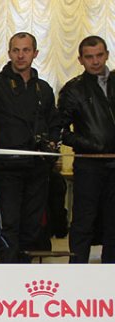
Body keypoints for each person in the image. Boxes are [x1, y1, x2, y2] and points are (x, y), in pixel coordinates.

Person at [0, 32, 60, 263]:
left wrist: (51, 149)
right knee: (9, 225)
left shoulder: (45, 89)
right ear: (9, 53)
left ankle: (24, 282)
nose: (21, 55)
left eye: (26, 50)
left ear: (35, 53)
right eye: (16, 50)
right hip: (7, 169)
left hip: (38, 170)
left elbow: (55, 124)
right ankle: (8, 278)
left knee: (32, 226)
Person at [57, 35, 115, 264]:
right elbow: (60, 130)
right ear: (80, 59)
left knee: (113, 223)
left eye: (99, 55)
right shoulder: (73, 89)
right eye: (89, 57)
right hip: (89, 165)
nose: (95, 61)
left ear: (107, 55)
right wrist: (90, 145)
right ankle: (76, 274)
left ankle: (111, 275)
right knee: (83, 222)